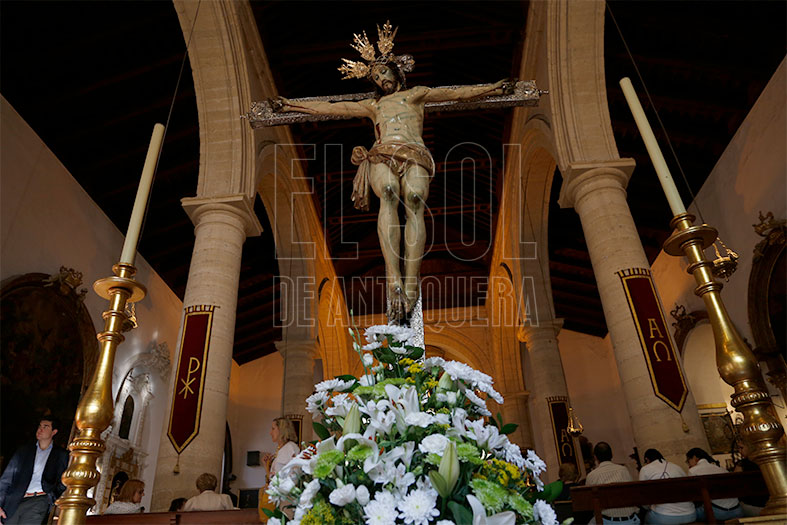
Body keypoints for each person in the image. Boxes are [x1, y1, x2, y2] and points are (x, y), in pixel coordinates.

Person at [274, 21, 511, 323]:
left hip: (415, 152)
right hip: (383, 152)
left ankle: (411, 281)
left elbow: (456, 93)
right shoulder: (374, 106)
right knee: (387, 193)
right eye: (375, 76)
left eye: (384, 72)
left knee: (414, 200)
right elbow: (333, 107)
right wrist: (291, 106)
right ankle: (393, 277)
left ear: (397, 71)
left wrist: (492, 88)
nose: (381, 79)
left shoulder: (416, 95)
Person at [0, 416, 69, 525]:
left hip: (38, 500)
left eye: (45, 427)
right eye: (39, 426)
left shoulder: (60, 454)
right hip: (14, 500)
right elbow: (6, 479)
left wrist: (51, 498)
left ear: (54, 432)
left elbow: (63, 480)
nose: (40, 430)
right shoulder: (24, 451)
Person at [584, 442, 640, 525]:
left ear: (595, 457)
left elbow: (589, 502)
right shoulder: (624, 470)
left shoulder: (592, 475)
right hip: (630, 520)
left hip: (608, 521)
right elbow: (633, 493)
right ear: (612, 454)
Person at [259, 417, 300, 522]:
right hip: (279, 498)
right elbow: (274, 478)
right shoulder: (280, 450)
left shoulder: (290, 447)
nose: (270, 432)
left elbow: (295, 474)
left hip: (287, 499)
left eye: (273, 429)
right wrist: (266, 466)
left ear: (282, 430)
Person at [638, 449, 695, 524]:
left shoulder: (645, 469)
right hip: (690, 514)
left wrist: (649, 507)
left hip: (664, 517)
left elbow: (643, 498)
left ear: (647, 459)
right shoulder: (677, 467)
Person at [685, 447, 743, 521]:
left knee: (690, 514)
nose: (688, 464)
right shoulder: (721, 469)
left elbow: (693, 494)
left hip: (717, 512)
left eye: (688, 461)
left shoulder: (693, 471)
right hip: (737, 510)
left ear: (695, 457)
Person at [733, 442, 767, 516]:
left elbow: (734, 483)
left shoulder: (742, 464)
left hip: (752, 505)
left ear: (750, 447)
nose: (739, 451)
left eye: (741, 448)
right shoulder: (766, 460)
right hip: (769, 503)